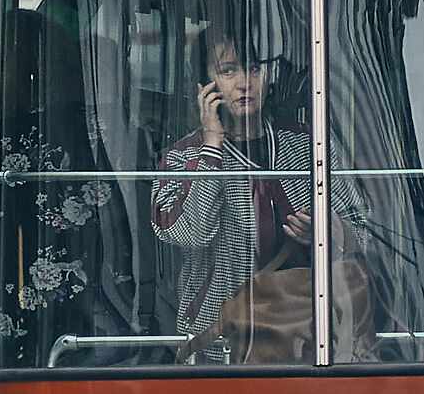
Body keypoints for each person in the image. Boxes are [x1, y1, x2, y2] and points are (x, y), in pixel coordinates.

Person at [151, 32, 376, 363]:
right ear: (203, 85)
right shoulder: (180, 157)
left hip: (315, 336)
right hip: (222, 343)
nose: (245, 83)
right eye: (228, 71)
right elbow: (187, 234)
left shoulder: (307, 144)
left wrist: (328, 232)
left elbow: (365, 232)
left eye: (254, 69)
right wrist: (212, 143)